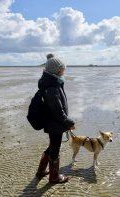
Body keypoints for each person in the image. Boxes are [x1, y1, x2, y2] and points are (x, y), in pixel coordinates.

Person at [35, 53, 75, 184]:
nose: (64, 70)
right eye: (63, 68)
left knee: (52, 146)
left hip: (55, 123)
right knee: (55, 149)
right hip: (55, 124)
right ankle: (54, 177)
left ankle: (41, 171)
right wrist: (68, 122)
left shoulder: (53, 82)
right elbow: (57, 110)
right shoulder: (52, 87)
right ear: (57, 70)